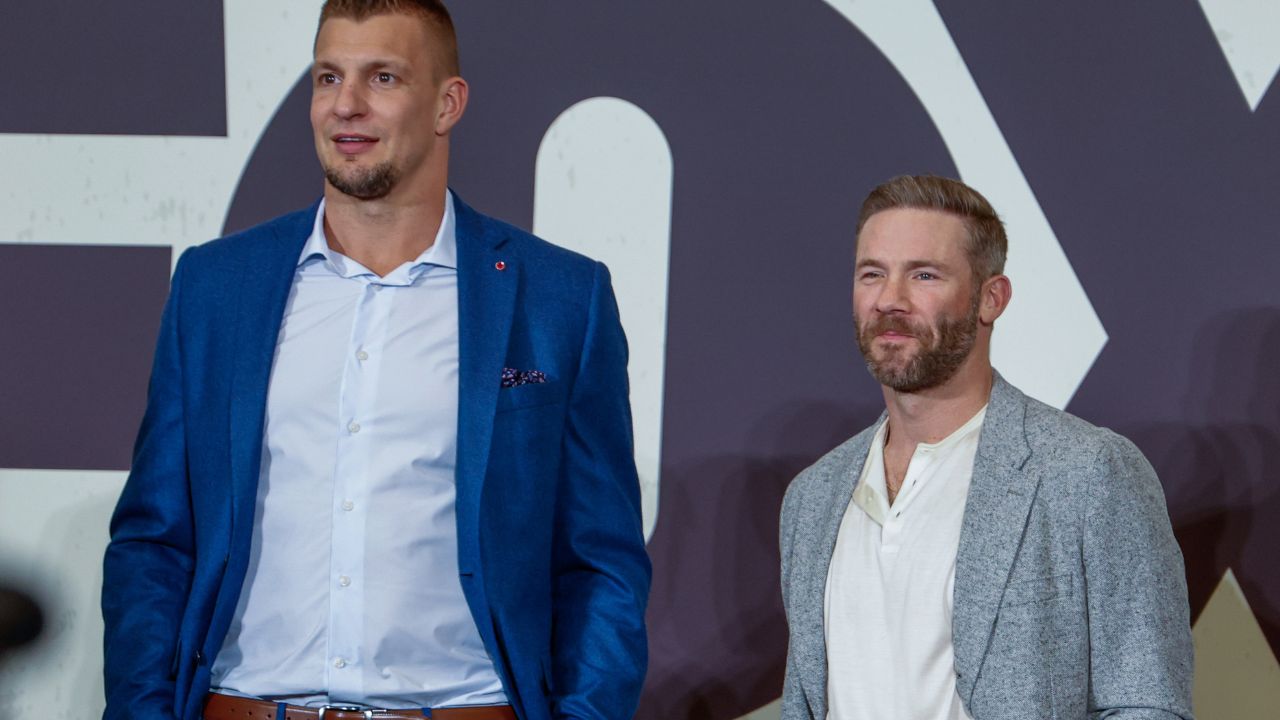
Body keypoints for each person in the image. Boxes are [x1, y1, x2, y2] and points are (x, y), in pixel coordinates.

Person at [101, 2, 651, 720]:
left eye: (382, 78)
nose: (346, 106)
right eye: (328, 77)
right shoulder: (216, 287)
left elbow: (601, 563)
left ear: (447, 104)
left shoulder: (560, 299)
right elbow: (153, 542)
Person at [778, 175, 1193, 719]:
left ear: (990, 299)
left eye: (923, 275)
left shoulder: (1088, 473)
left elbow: (1148, 704)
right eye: (872, 274)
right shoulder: (811, 499)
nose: (889, 300)